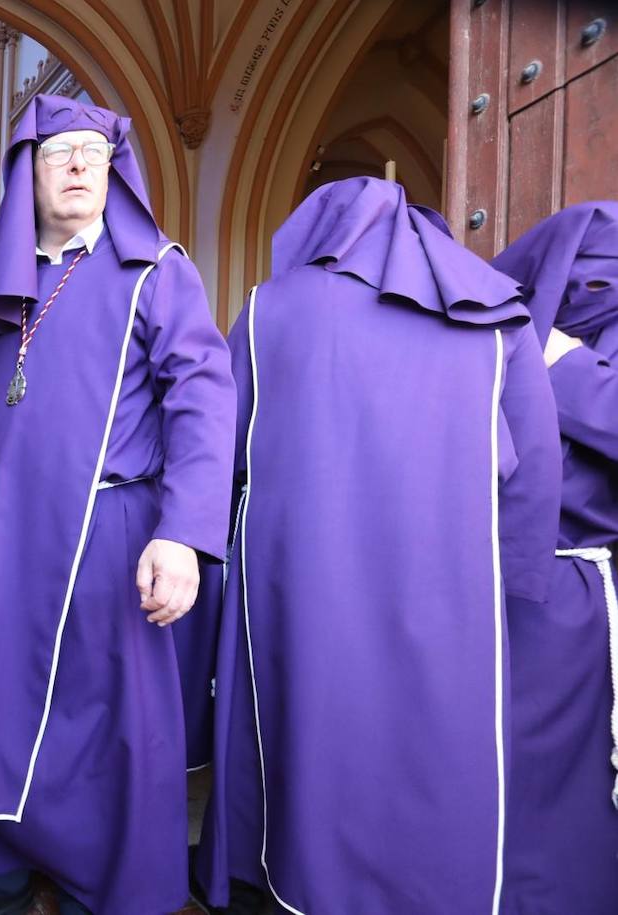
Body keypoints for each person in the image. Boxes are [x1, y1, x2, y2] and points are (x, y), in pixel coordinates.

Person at [194, 178, 561, 915]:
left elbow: (222, 448)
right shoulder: (495, 315)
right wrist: (516, 583)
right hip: (447, 580)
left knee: (305, 730)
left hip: (300, 573)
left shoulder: (272, 309)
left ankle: (286, 879)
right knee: (434, 745)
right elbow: (535, 469)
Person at [0, 95, 237, 915]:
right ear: (28, 170)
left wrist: (185, 533)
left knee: (102, 723)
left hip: (109, 536)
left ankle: (104, 875)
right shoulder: (5, 285)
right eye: (59, 150)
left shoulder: (156, 271)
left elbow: (204, 398)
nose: (79, 164)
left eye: (95, 151)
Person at [491, 201, 618, 915]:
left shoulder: (553, 345)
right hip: (487, 589)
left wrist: (568, 368)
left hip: (573, 593)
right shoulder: (503, 333)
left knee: (568, 782)